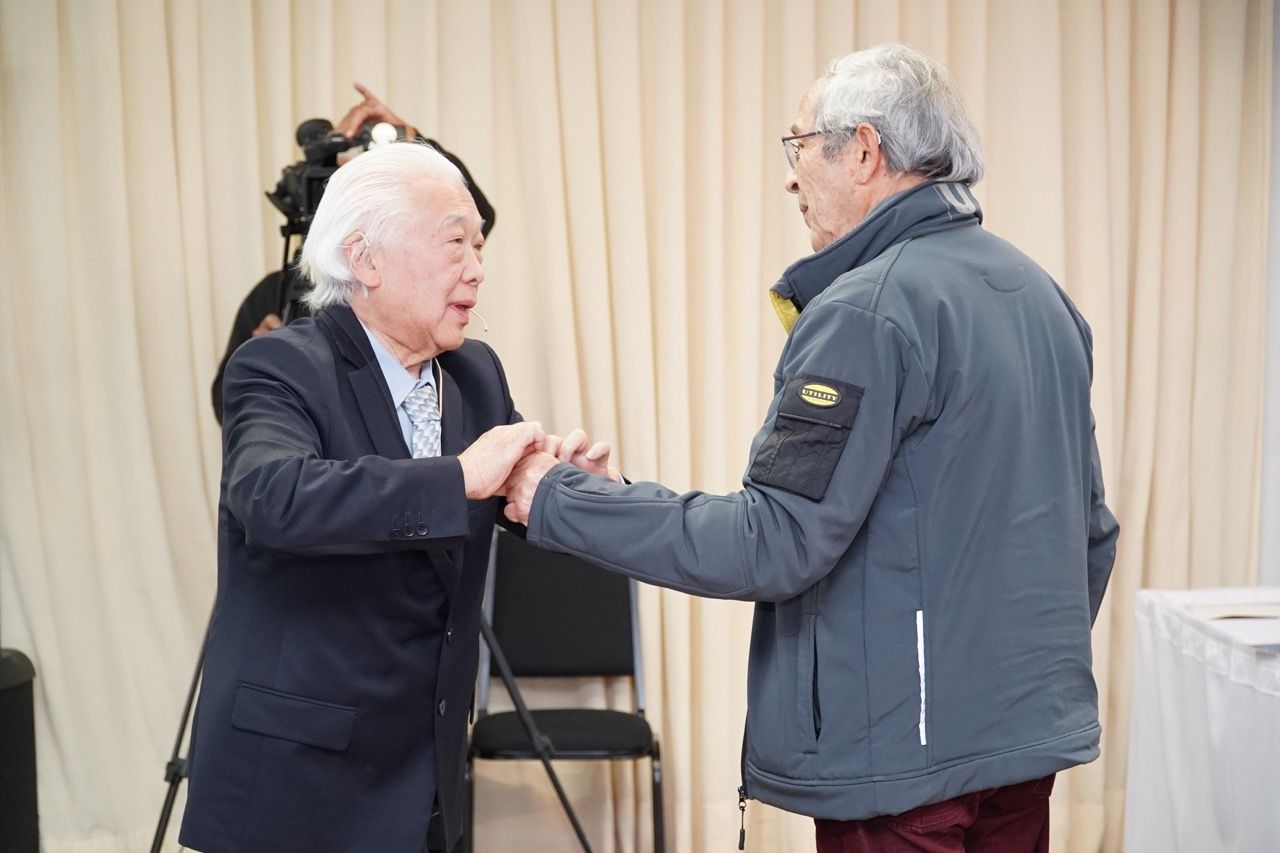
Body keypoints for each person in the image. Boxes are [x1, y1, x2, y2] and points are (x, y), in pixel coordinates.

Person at [504, 43, 1120, 852]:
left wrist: (559, 499)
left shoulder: (868, 311)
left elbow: (773, 541)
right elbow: (1088, 533)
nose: (790, 178)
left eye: (798, 146)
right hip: (1018, 750)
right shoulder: (1042, 297)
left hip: (901, 764)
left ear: (863, 151)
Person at [178, 141, 603, 853]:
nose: (477, 267)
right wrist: (459, 476)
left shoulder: (475, 374)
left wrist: (574, 489)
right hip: (297, 783)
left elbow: (509, 493)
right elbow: (275, 498)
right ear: (365, 259)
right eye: (455, 243)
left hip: (424, 776)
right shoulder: (279, 366)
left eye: (479, 246)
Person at [210, 83, 496, 423]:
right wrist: (276, 369)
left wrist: (414, 142)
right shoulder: (273, 300)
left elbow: (463, 217)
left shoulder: (477, 371)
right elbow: (232, 411)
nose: (474, 271)